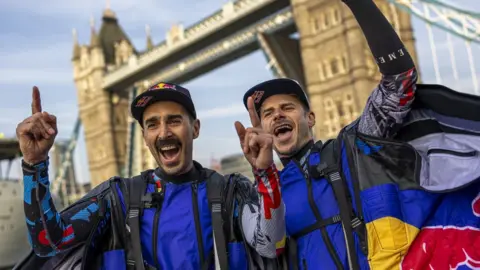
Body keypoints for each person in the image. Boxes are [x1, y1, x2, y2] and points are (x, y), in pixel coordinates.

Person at [238, 0, 480, 269]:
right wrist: (264, 173)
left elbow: (400, 82)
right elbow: (270, 246)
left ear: (310, 117)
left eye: (287, 107)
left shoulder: (355, 147)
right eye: (268, 114)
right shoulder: (266, 191)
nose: (278, 115)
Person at [15, 83, 286, 270]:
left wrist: (264, 173)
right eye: (152, 124)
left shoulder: (230, 191)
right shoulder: (118, 198)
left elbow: (271, 244)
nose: (164, 132)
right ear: (144, 137)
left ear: (195, 128)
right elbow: (49, 243)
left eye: (174, 120)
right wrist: (34, 164)